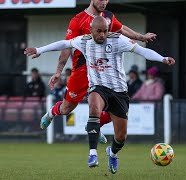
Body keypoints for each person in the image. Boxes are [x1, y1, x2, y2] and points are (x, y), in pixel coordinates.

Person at [24, 16, 175, 173]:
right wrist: (39, 50)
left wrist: (162, 59)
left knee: (121, 137)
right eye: (99, 31)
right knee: (94, 108)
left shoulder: (118, 40)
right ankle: (92, 154)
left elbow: (142, 51)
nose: (103, 35)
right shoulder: (84, 40)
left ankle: (112, 152)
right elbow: (63, 43)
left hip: (119, 91)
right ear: (91, 30)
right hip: (98, 87)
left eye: (105, 31)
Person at [37, 0, 157, 141]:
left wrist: (141, 37)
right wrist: (58, 71)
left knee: (119, 107)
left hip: (103, 72)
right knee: (66, 109)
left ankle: (94, 125)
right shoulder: (78, 20)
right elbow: (66, 46)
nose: (104, 2)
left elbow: (121, 28)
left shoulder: (108, 16)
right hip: (82, 72)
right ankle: (51, 113)